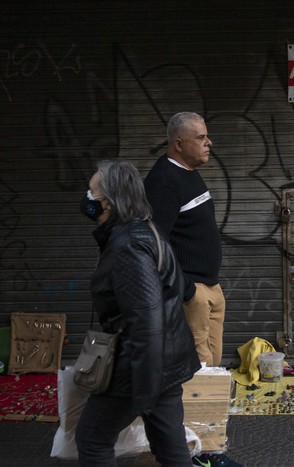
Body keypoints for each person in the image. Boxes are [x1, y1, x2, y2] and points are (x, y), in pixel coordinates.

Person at [75, 160, 200, 466]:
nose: (87, 199)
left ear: (109, 201)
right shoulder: (144, 233)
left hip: (141, 368)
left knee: (92, 440)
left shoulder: (129, 245)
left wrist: (144, 392)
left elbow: (146, 320)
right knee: (171, 450)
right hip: (163, 365)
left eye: (92, 192)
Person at [144, 112, 225, 368]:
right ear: (179, 144)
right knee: (197, 372)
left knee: (212, 366)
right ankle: (191, 410)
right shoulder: (164, 182)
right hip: (192, 293)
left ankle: (209, 408)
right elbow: (153, 244)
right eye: (200, 137)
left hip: (209, 287)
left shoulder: (188, 172)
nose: (208, 142)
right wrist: (188, 291)